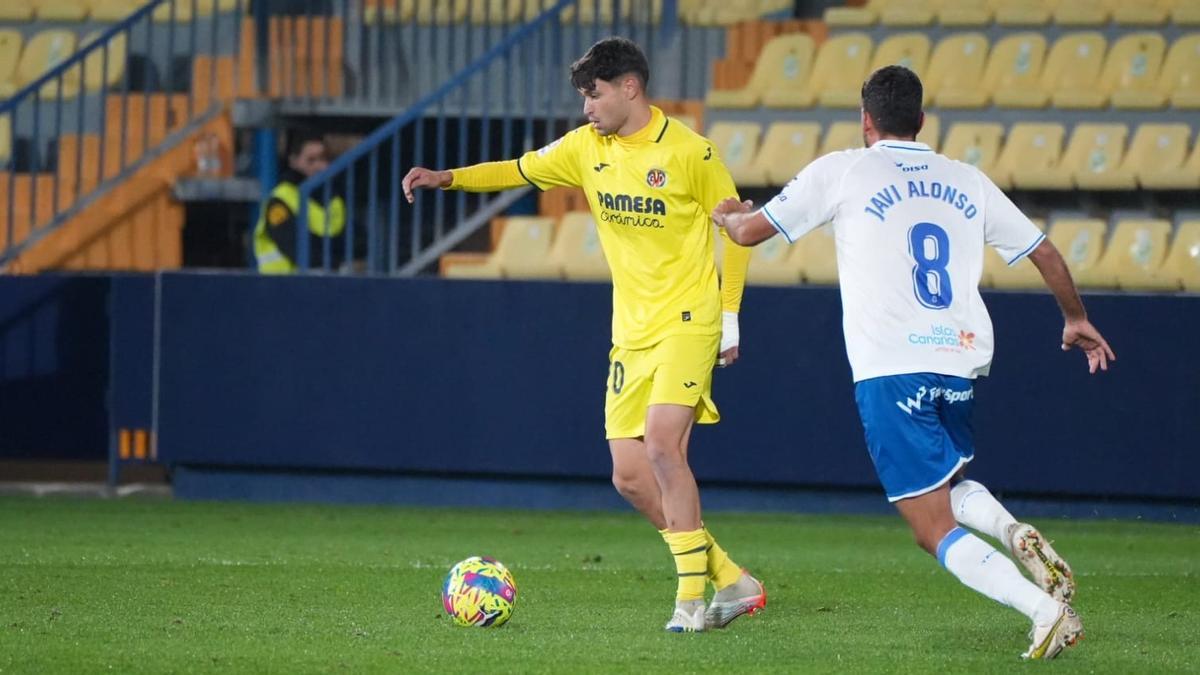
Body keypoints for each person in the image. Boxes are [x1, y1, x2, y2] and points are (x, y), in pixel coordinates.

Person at [713, 65, 1115, 659]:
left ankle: (1045, 610)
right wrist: (1075, 318)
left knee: (930, 530)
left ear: (865, 119)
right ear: (922, 121)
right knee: (945, 483)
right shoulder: (966, 178)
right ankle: (1009, 530)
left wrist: (727, 215)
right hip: (959, 362)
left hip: (891, 367)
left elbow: (748, 234)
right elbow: (1045, 251)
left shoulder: (843, 168)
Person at [402, 37, 766, 633]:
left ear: (630, 87)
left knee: (661, 446)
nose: (586, 108)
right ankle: (731, 578)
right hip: (632, 331)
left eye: (593, 95)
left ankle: (691, 601)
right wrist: (449, 178)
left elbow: (738, 229)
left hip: (688, 320)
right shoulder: (584, 148)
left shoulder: (691, 154)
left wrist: (729, 318)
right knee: (628, 476)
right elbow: (518, 170)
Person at [253, 131, 346, 274]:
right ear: (294, 161)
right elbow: (297, 249)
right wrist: (335, 256)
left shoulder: (334, 198)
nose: (319, 166)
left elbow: (357, 242)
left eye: (323, 159)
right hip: (282, 287)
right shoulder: (280, 201)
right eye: (311, 160)